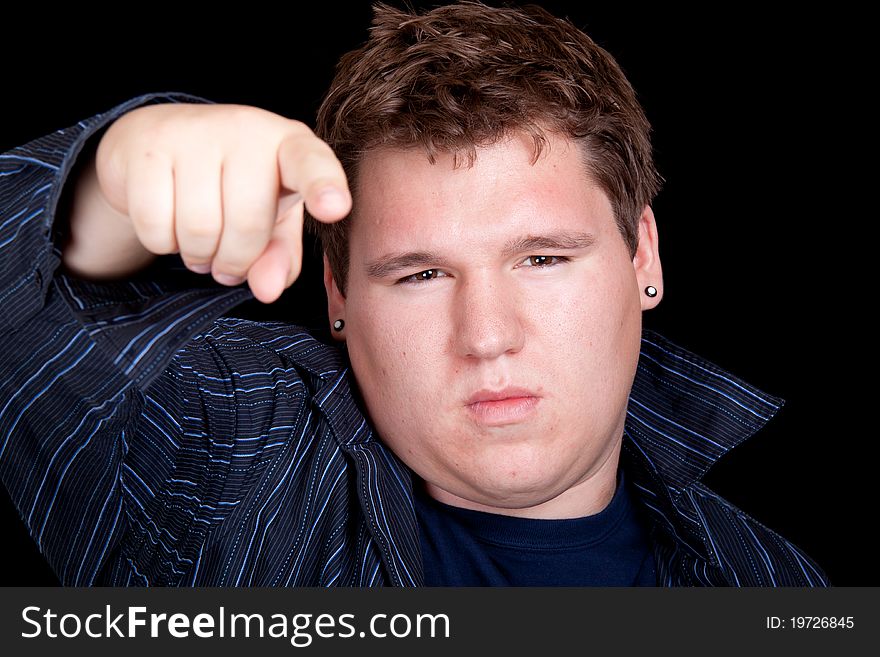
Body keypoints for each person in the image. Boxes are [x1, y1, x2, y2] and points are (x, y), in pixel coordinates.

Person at [0, 0, 829, 586]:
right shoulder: (226, 468)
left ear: (642, 253)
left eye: (542, 259)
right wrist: (102, 190)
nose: (487, 335)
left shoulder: (774, 588)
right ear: (337, 291)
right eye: (421, 274)